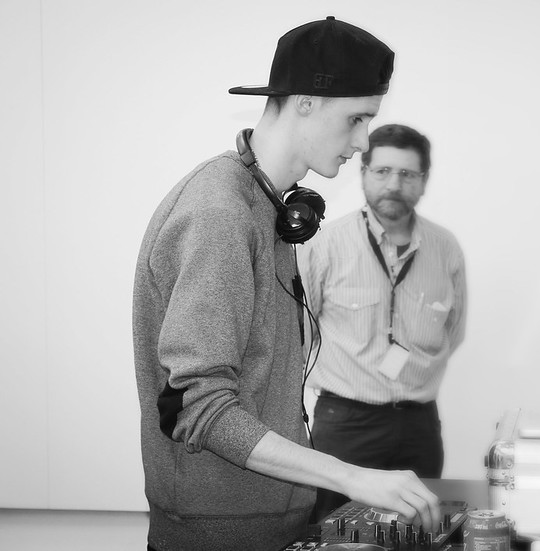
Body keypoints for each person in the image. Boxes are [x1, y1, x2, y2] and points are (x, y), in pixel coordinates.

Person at [132, 17, 440, 551]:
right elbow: (195, 406)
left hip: (272, 524)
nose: (363, 142)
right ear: (305, 103)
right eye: (356, 119)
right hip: (219, 536)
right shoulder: (220, 213)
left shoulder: (269, 207)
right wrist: (351, 476)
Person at [298, 123, 467, 519]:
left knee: (420, 532)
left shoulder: (445, 249)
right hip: (345, 426)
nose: (394, 184)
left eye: (407, 174)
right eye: (383, 171)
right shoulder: (325, 244)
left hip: (420, 427)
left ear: (424, 180)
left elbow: (454, 331)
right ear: (363, 173)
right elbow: (300, 335)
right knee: (336, 535)